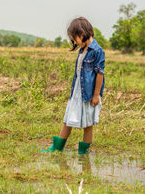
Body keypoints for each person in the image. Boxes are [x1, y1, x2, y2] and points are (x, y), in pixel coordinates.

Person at [42, 17, 105, 154]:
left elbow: (100, 74)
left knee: (88, 124)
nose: (74, 42)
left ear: (82, 33)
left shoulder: (97, 51)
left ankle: (83, 151)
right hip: (76, 92)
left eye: (74, 39)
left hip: (88, 94)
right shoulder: (82, 51)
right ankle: (57, 147)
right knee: (67, 119)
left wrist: (96, 95)